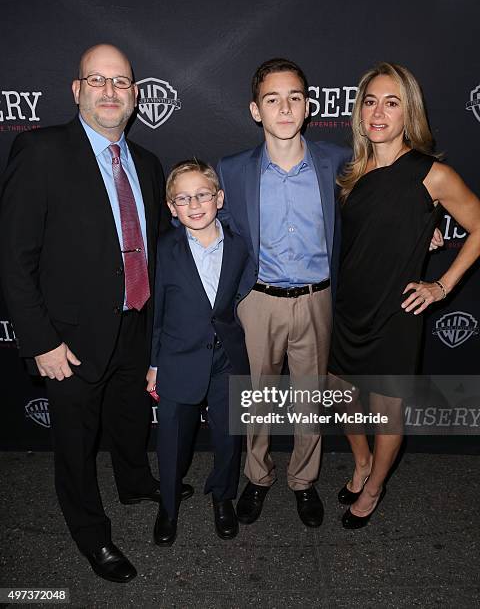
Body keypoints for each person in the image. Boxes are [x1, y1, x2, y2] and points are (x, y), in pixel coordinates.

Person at [0, 44, 193, 583]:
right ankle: (91, 532)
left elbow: (159, 247)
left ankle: (134, 482)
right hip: (69, 336)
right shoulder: (40, 152)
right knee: (76, 444)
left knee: (130, 418)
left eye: (121, 83)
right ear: (77, 90)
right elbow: (14, 256)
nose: (110, 92)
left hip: (136, 324)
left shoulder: (149, 164)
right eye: (98, 81)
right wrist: (40, 340)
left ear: (134, 95)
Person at [329, 62, 480, 529]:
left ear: (408, 111)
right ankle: (361, 464)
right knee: (340, 396)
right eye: (370, 101)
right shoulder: (352, 169)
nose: (378, 112)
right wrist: (424, 232)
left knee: (387, 406)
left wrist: (442, 285)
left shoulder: (431, 173)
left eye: (391, 102)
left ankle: (374, 488)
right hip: (351, 303)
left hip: (397, 310)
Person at [217, 58, 351, 528]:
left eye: (294, 96)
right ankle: (257, 477)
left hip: (318, 299)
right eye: (272, 99)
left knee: (309, 398)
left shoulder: (337, 161)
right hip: (257, 302)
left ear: (308, 105)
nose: (285, 107)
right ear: (257, 110)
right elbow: (210, 229)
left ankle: (303, 480)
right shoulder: (231, 171)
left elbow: (375, 211)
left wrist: (424, 231)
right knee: (255, 398)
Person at [146, 159, 251, 545]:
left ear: (218, 198)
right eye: (183, 198)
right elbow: (156, 313)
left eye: (202, 195)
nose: (194, 205)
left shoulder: (240, 246)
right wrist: (154, 363)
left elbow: (244, 288)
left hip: (227, 359)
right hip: (177, 359)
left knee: (228, 435)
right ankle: (168, 505)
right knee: (172, 438)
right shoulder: (164, 249)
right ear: (171, 207)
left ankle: (223, 497)